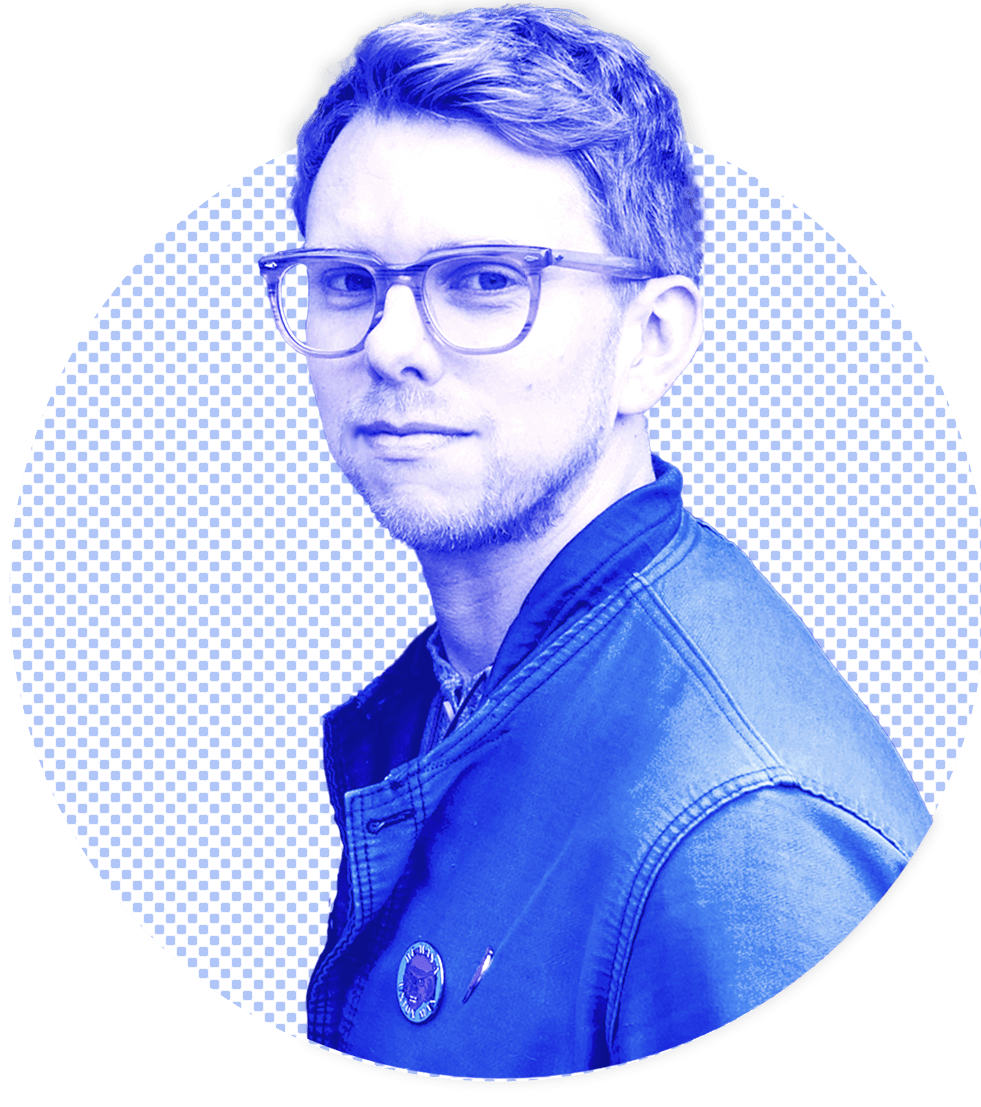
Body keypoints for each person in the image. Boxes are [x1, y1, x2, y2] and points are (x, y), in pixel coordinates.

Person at [256, 4, 931, 1079]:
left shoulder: (740, 842)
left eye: (483, 282)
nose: (387, 347)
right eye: (346, 281)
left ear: (650, 344)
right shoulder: (464, 686)